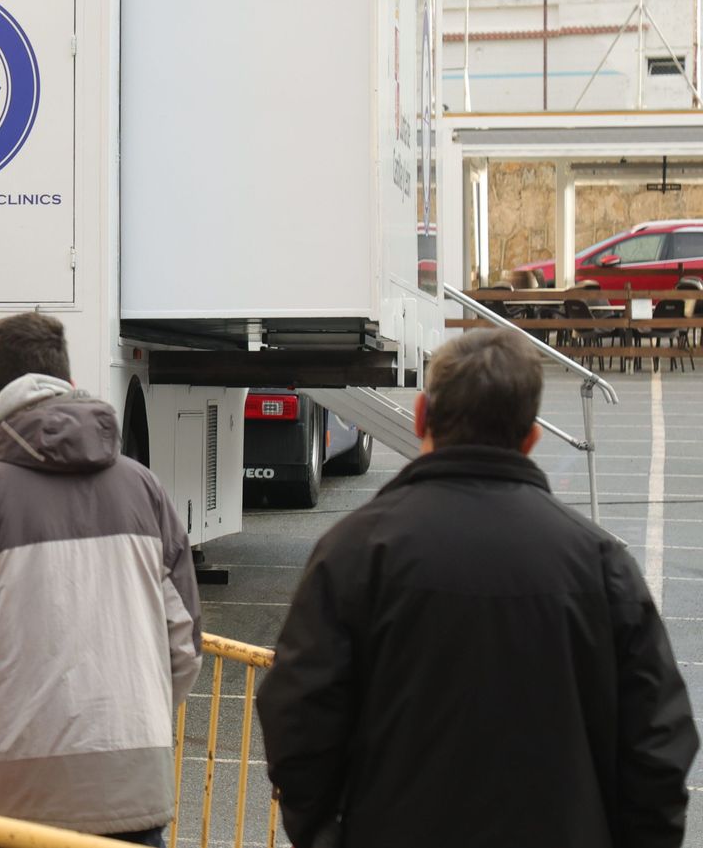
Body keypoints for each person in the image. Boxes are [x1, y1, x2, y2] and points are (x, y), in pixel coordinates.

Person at [255, 328, 699, 848]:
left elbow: (297, 718)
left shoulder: (354, 553)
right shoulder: (601, 565)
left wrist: (326, 836)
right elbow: (658, 748)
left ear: (421, 416)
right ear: (530, 437)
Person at [0, 312, 202, 844]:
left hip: (3, 803)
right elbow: (183, 645)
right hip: (132, 794)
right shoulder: (144, 489)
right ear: (69, 385)